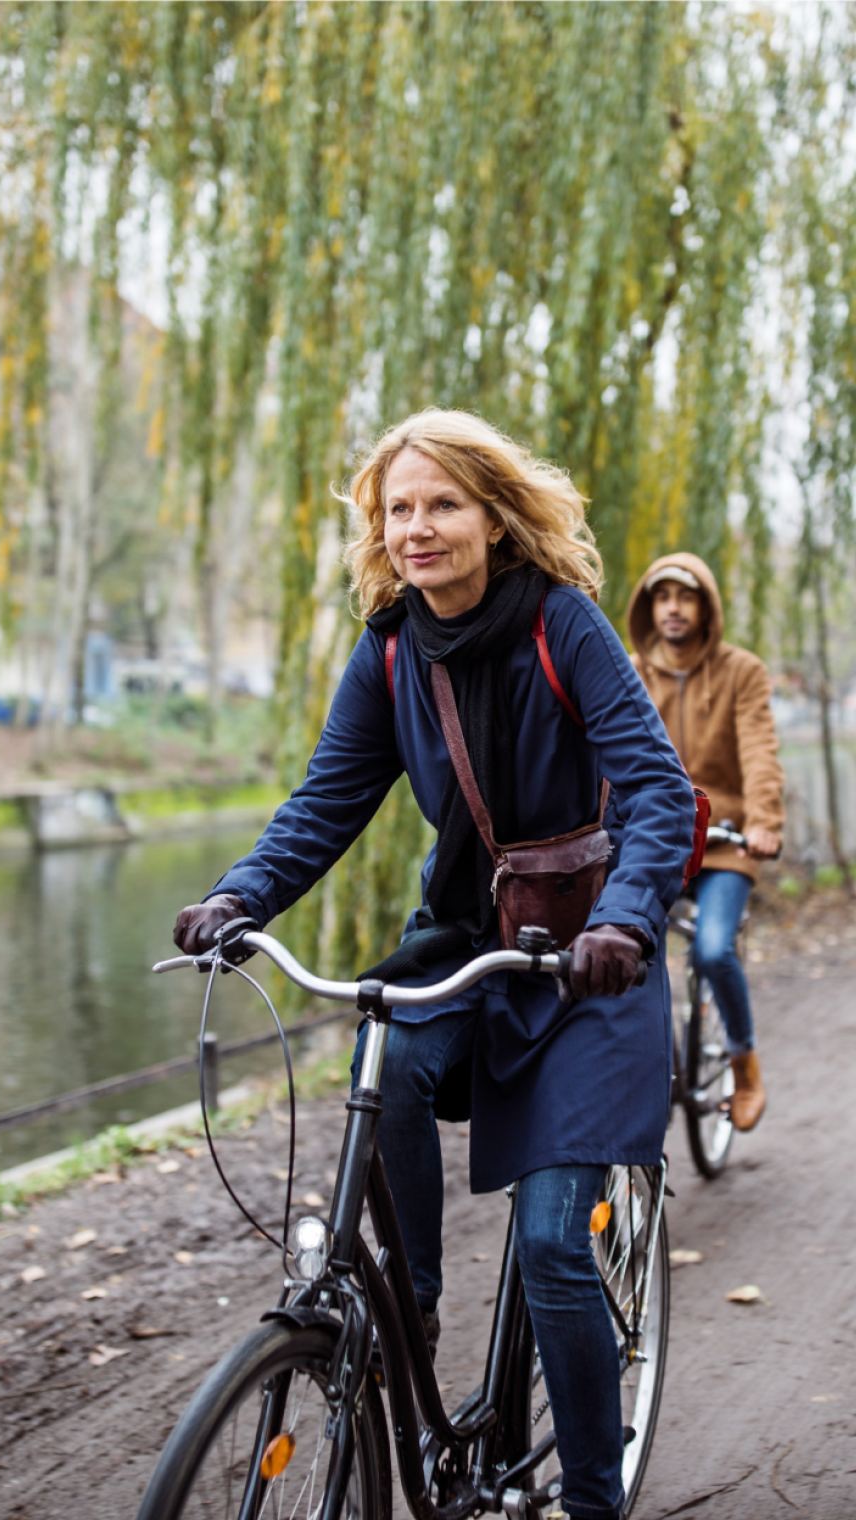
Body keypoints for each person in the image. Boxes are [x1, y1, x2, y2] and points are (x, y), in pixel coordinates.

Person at [174, 409, 695, 1520]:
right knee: (386, 1049)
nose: (419, 528)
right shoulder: (391, 646)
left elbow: (656, 791)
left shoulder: (565, 623)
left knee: (557, 1244)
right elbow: (326, 799)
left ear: (496, 518)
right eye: (398, 508)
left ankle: (594, 1502)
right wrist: (239, 894)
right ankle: (405, 1312)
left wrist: (630, 921)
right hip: (468, 943)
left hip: (588, 957)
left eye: (443, 504)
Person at [626, 554, 785, 1131]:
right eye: (662, 596)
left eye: (685, 596)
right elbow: (604, 756)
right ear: (648, 606)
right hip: (657, 842)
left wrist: (764, 820)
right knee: (626, 945)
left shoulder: (741, 671)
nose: (673, 607)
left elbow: (760, 752)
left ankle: (744, 1062)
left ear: (704, 606)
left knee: (714, 949)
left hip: (723, 844)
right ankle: (643, 1064)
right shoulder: (631, 672)